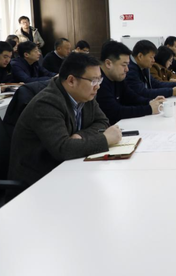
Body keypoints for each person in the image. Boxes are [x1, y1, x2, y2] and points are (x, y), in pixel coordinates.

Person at [8, 53, 122, 190]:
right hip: (37, 183)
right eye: (93, 81)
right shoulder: (46, 103)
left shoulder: (85, 96)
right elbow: (63, 149)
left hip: (67, 170)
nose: (97, 86)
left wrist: (80, 136)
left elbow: (102, 122)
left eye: (99, 80)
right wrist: (105, 139)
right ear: (71, 81)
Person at [96, 41, 165, 125]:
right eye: (124, 65)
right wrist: (149, 109)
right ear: (108, 63)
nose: (127, 69)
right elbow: (115, 111)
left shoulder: (117, 77)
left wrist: (150, 102)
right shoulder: (98, 82)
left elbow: (132, 97)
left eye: (127, 65)